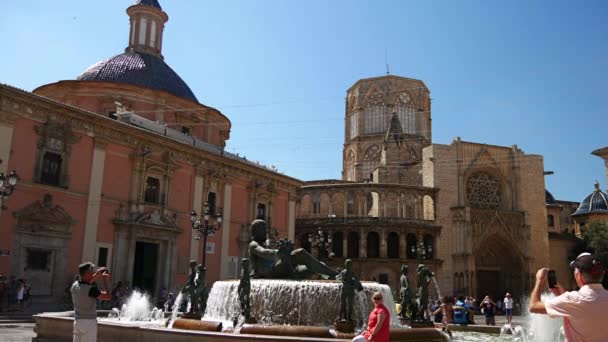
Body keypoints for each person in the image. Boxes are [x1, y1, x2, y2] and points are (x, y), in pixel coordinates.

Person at [529, 253, 608, 342]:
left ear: (578, 275)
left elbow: (533, 307)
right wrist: (562, 295)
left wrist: (539, 281)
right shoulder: (572, 300)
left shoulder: (572, 299)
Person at [71, 262, 112, 342]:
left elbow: (86, 281)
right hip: (89, 323)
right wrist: (105, 280)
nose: (93, 272)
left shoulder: (75, 286)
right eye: (92, 271)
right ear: (88, 273)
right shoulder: (91, 290)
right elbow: (108, 297)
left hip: (77, 322)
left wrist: (97, 274)